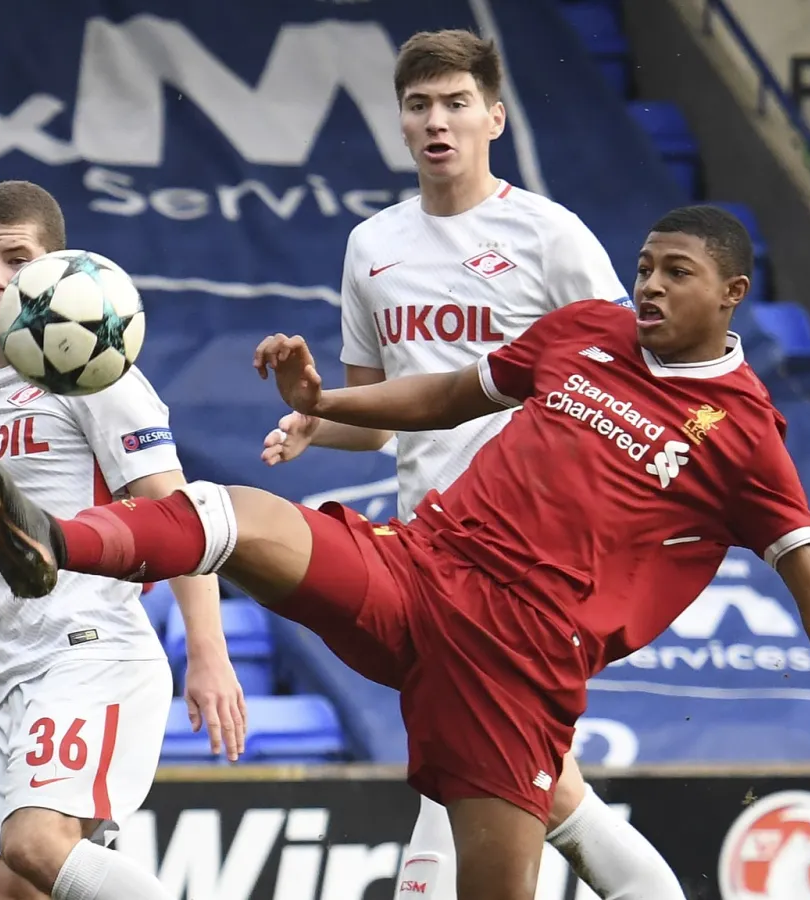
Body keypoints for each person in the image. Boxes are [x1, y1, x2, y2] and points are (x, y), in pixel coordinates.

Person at [0, 205, 810, 900]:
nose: (649, 287)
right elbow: (449, 395)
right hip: (424, 565)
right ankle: (56, 539)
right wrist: (327, 402)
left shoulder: (744, 436)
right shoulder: (587, 331)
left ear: (733, 293)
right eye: (645, 268)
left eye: (677, 273)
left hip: (517, 664)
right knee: (234, 513)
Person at [258, 28, 676, 899]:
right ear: (401, 122)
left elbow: (631, 384)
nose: (437, 121)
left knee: (470, 777)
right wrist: (315, 421)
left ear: (495, 117)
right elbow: (376, 418)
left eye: (456, 103)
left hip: (529, 566)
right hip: (428, 559)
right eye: (419, 106)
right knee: (537, 786)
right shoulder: (373, 245)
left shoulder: (551, 236)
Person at [0, 180, 247, 900]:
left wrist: (208, 654)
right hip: (11, 673)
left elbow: (180, 518)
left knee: (35, 845)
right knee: (8, 884)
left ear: (54, 267)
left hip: (90, 654)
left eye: (16, 259)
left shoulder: (96, 370)